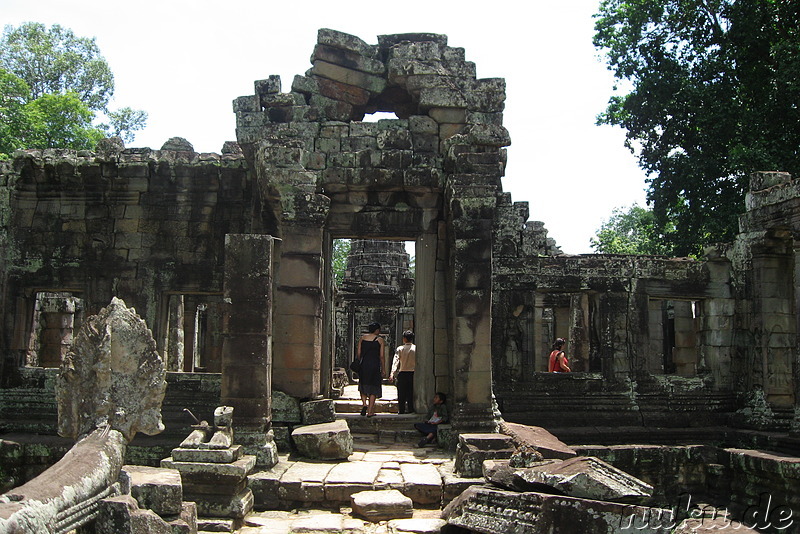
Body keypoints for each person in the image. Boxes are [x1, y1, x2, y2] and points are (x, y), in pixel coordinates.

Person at [357, 322, 385, 417]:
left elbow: (359, 353)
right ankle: (370, 411)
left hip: (364, 364)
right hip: (374, 365)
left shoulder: (362, 338)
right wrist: (383, 368)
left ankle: (364, 404)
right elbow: (381, 356)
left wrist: (361, 361)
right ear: (377, 330)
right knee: (374, 387)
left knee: (363, 384)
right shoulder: (380, 340)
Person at [390, 330, 416, 414]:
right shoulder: (416, 349)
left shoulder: (400, 349)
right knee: (411, 392)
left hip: (403, 373)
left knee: (401, 393)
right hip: (413, 373)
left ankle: (401, 410)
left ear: (404, 339)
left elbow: (396, 361)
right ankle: (411, 409)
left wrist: (392, 373)